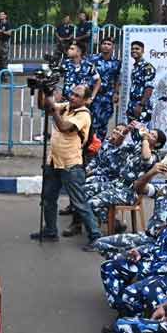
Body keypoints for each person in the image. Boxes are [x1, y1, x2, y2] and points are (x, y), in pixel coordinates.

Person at [100, 176, 167, 333]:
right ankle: (125, 313)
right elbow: (160, 244)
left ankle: (132, 326)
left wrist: (145, 268)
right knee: (110, 267)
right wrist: (141, 252)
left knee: (130, 293)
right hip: (156, 263)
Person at [29, 85, 102, 246]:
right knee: (48, 199)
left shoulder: (83, 115)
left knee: (79, 203)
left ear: (85, 100)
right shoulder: (67, 107)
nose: (73, 97)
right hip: (54, 161)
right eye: (72, 94)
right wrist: (44, 91)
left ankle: (96, 237)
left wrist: (54, 107)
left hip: (71, 165)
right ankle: (50, 231)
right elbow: (44, 106)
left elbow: (63, 127)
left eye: (77, 96)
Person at [90, 160, 167, 258]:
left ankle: (126, 262)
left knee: (121, 261)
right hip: (147, 237)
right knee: (99, 244)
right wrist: (152, 172)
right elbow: (138, 188)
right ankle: (125, 261)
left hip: (163, 245)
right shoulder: (163, 189)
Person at [87, 37, 121, 140]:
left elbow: (117, 79)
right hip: (93, 95)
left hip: (107, 97)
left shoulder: (116, 62)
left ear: (113, 47)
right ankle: (87, 148)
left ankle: (99, 147)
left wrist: (116, 93)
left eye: (109, 44)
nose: (106, 46)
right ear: (100, 46)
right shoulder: (92, 59)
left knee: (103, 123)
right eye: (104, 43)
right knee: (89, 122)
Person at [127, 41, 156, 122]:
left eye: (137, 49)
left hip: (142, 106)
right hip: (132, 105)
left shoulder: (147, 67)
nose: (134, 51)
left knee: (141, 133)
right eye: (132, 49)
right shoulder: (135, 68)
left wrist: (141, 105)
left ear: (143, 51)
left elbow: (149, 89)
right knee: (133, 133)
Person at [0, 10, 15, 76]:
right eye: (0, 15)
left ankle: (4, 75)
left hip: (4, 43)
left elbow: (9, 33)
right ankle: (0, 76)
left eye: (2, 14)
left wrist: (1, 31)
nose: (0, 16)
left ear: (5, 16)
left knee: (4, 59)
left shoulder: (8, 23)